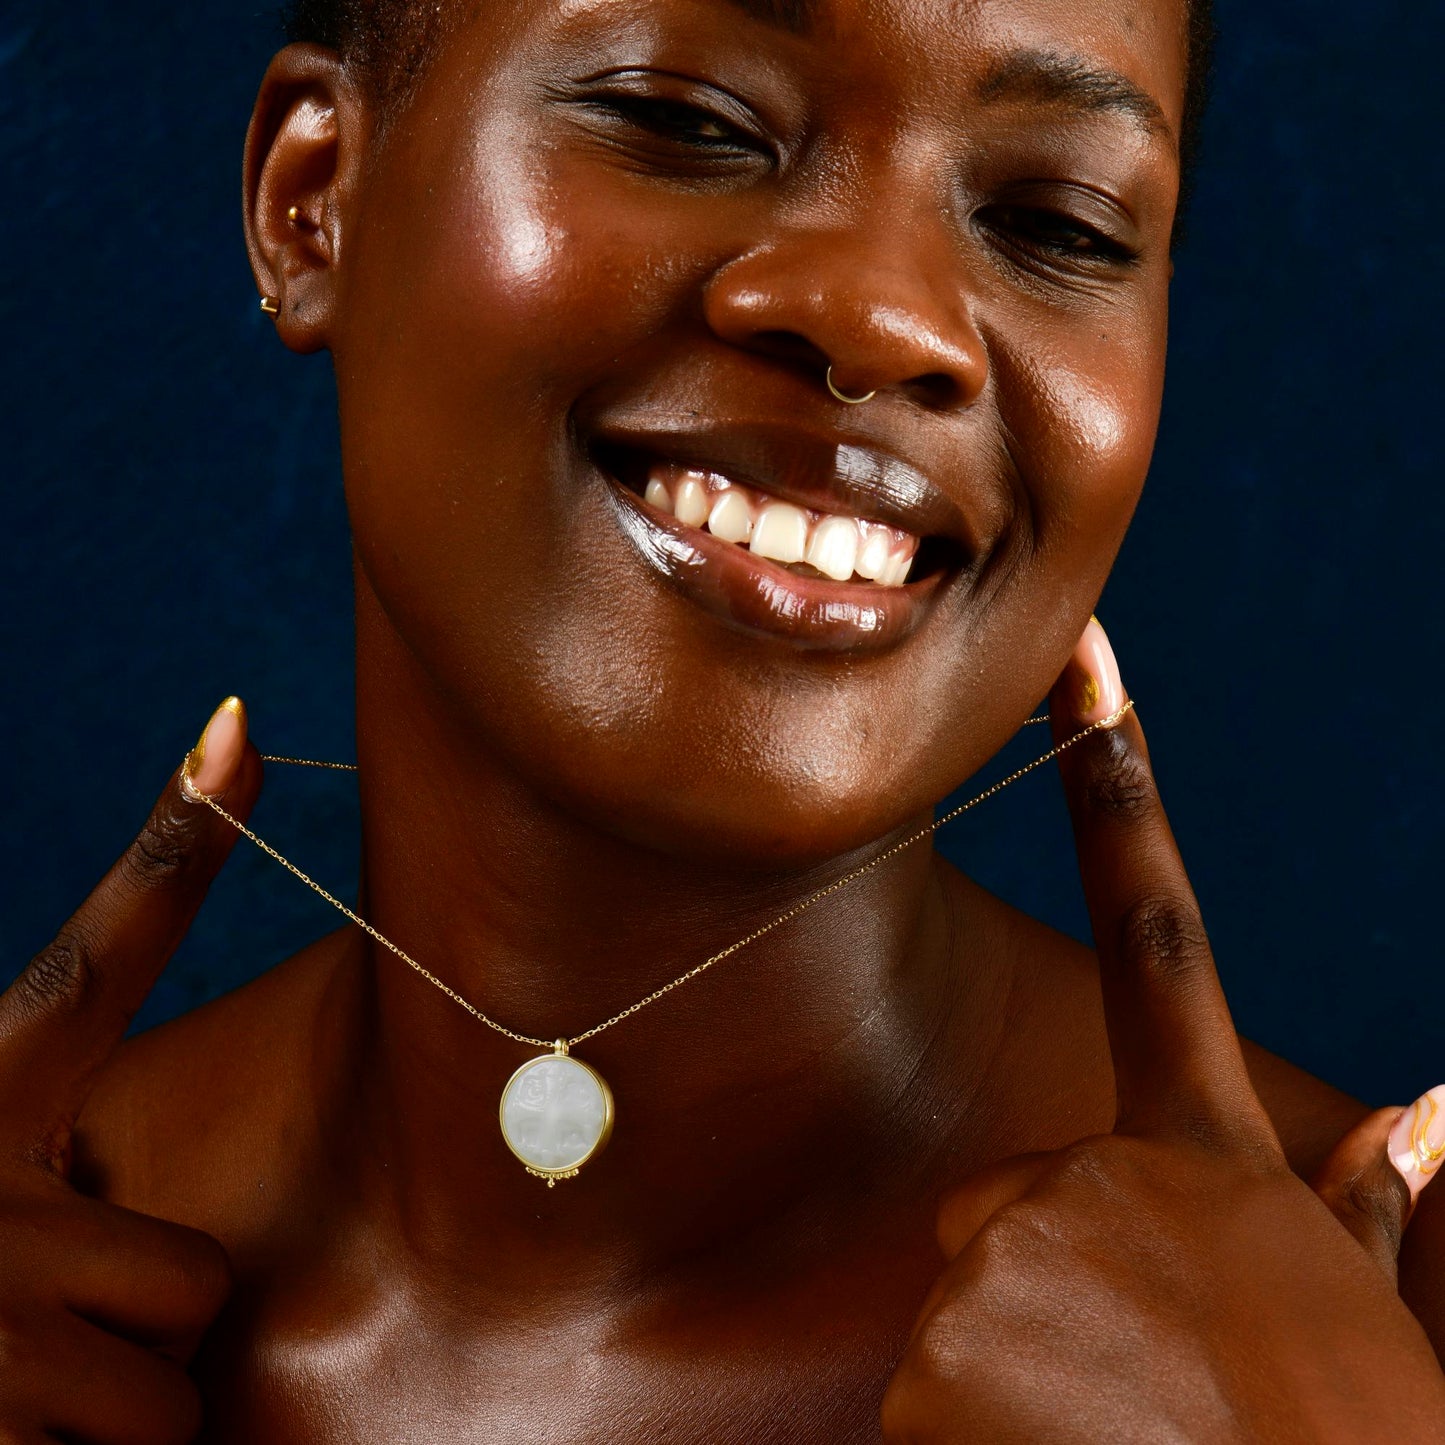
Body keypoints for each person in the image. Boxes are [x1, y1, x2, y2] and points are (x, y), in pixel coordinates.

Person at [2, 0, 1443, 1438]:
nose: (884, 315)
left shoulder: (1391, 1329)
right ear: (312, 200)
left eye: (1056, 221)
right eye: (688, 122)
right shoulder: (66, 1234)